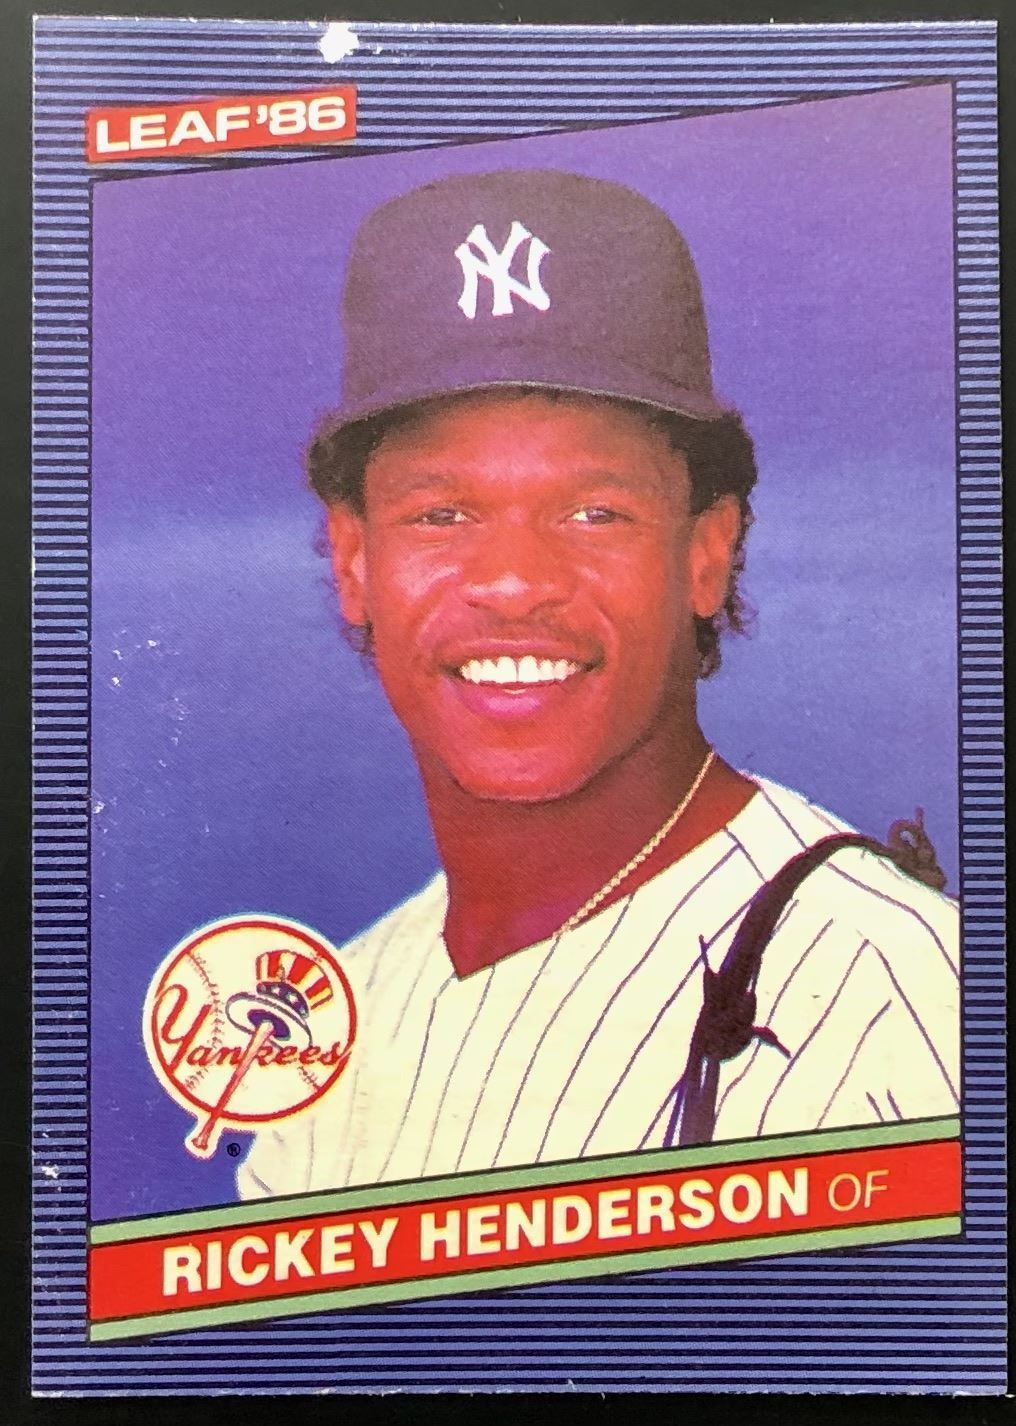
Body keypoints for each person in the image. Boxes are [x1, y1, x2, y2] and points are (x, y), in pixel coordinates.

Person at [238, 169, 958, 1199]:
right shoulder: (339, 1013)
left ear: (706, 552)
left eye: (593, 512)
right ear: (354, 560)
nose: (513, 581)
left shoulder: (880, 986)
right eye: (441, 514)